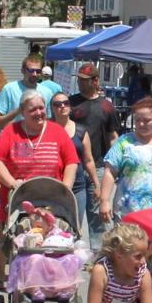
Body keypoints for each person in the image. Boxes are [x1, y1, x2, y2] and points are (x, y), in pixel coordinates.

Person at [0, 89, 80, 291]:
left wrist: (66, 186)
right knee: (13, 238)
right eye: (33, 109)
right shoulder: (11, 132)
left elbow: (71, 161)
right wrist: (12, 182)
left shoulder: (57, 131)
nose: (39, 112)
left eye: (41, 108)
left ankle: (53, 282)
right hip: (19, 196)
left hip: (52, 196)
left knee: (52, 241)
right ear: (23, 111)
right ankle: (10, 278)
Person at [86, 223, 152, 303]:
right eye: (138, 256)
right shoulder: (102, 271)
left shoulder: (143, 274)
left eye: (145, 255)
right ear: (119, 254)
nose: (143, 261)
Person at [67, 64, 119, 225]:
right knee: (72, 214)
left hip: (98, 166)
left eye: (85, 80)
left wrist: (115, 164)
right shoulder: (70, 103)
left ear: (95, 81)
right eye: (79, 80)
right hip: (73, 166)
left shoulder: (106, 106)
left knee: (98, 217)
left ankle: (98, 250)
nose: (81, 84)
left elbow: (113, 136)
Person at [51, 90, 96, 235]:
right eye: (57, 104)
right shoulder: (46, 129)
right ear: (52, 108)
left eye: (66, 103)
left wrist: (97, 184)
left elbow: (88, 160)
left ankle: (71, 257)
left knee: (75, 228)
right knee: (52, 226)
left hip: (77, 187)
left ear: (70, 107)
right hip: (52, 186)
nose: (62, 106)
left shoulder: (81, 131)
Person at [0, 55, 58, 127]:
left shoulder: (47, 92)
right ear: (22, 70)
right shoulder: (9, 89)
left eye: (38, 71)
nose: (34, 74)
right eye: (31, 70)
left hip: (37, 137)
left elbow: (49, 120)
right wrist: (18, 111)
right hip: (13, 136)